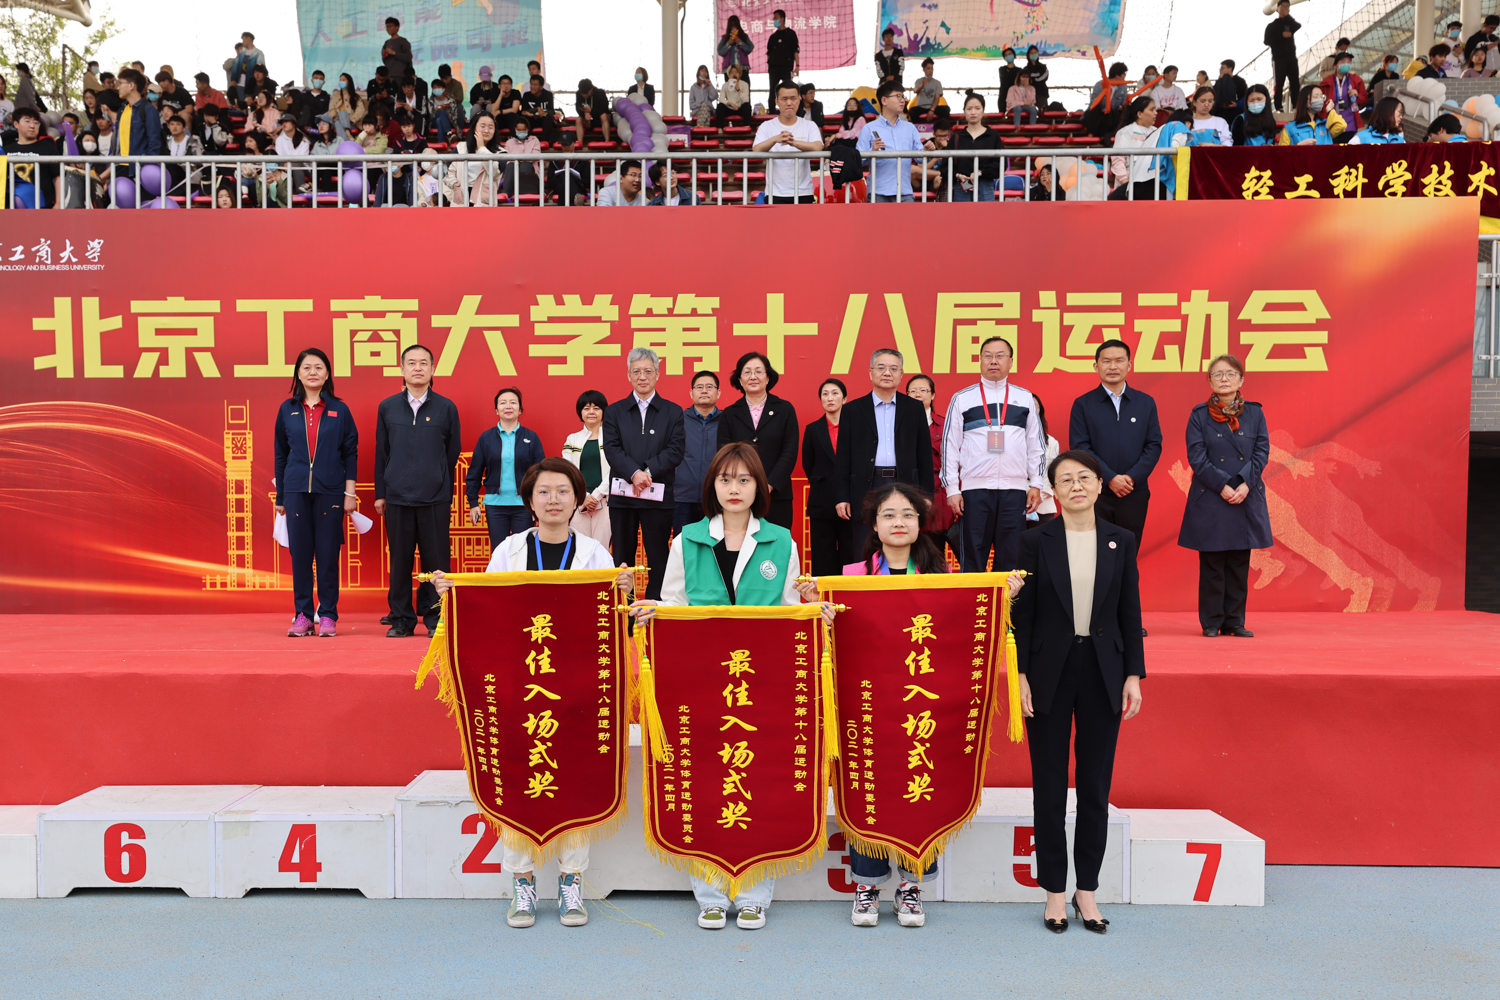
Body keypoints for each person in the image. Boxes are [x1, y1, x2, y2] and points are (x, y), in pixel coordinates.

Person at [433, 457, 636, 930]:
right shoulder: (508, 550)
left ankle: (571, 880)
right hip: (519, 687)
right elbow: (486, 610)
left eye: (563, 491)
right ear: (529, 501)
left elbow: (607, 624)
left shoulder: (595, 554)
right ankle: (521, 881)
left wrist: (621, 591)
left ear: (578, 499)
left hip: (576, 687)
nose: (553, 500)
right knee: (518, 777)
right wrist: (453, 595)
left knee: (575, 779)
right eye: (543, 491)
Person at [629, 442, 822, 932]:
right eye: (725, 479)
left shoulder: (781, 541)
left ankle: (754, 893)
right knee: (706, 780)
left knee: (760, 780)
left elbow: (789, 612)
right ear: (711, 486)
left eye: (744, 480)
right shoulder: (687, 539)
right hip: (700, 680)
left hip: (763, 682)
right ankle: (711, 893)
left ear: (759, 487)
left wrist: (812, 607)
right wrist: (654, 611)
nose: (734, 489)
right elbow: (674, 603)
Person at [1014, 449, 1144, 934]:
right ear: (1054, 491)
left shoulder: (1120, 540)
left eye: (1084, 478)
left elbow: (1129, 608)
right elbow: (1022, 613)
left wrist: (1134, 674)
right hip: (1047, 671)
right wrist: (1020, 675)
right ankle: (1053, 891)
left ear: (1098, 484)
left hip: (1103, 671)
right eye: (1065, 479)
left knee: (1095, 786)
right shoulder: (1034, 540)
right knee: (1048, 785)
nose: (1076, 486)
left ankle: (1086, 890)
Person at [1068, 340, 1161, 636]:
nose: (1112, 366)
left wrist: (1131, 478)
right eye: (1106, 361)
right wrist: (1109, 477)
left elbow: (1153, 445)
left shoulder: (1145, 402)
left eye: (1119, 360)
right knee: (1094, 556)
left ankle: (1128, 620)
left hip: (1134, 493)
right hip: (1096, 494)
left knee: (1127, 557)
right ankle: (1094, 618)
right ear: (1096, 366)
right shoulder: (1084, 404)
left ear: (1129, 365)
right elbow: (1080, 447)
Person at [1178, 354, 1270, 638]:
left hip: (1245, 493)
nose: (1224, 379)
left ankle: (1234, 621)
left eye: (1230, 374)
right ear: (1210, 381)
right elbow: (1197, 457)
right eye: (1217, 374)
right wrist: (1222, 485)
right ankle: (1211, 622)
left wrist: (1244, 483)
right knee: (1213, 562)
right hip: (1211, 494)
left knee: (1239, 561)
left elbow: (1261, 452)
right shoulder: (1199, 415)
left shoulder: (1255, 413)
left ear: (1241, 380)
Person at [374, 344, 461, 639]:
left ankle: (435, 616)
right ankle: (401, 619)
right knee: (400, 562)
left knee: (436, 562)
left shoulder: (446, 408)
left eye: (424, 362)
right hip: (397, 497)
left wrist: (438, 479)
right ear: (402, 369)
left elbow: (452, 451)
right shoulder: (387, 407)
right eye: (411, 362)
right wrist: (382, 492)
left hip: (434, 497)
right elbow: (382, 453)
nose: (418, 367)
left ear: (433, 369)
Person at [941, 336, 1046, 574]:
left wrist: (1035, 484)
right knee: (973, 555)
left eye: (1000, 356)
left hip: (1014, 491)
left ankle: (1007, 600)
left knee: (1011, 556)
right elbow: (950, 446)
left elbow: (1036, 444)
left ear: (1011, 361)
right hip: (974, 491)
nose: (994, 361)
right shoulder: (962, 398)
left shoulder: (1024, 398)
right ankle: (973, 600)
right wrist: (953, 489)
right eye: (988, 356)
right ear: (980, 361)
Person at [273, 348, 358, 638]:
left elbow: (350, 453)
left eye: (319, 367)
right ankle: (303, 616)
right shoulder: (287, 409)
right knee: (300, 556)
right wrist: (281, 497)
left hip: (330, 491)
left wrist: (349, 493)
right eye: (307, 367)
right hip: (296, 490)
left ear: (327, 373)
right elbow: (281, 455)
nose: (313, 372)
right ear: (298, 373)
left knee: (327, 554)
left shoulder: (339, 410)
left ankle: (328, 615)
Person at [602, 348, 685, 600]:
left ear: (657, 374)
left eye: (648, 371)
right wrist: (634, 473)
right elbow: (612, 449)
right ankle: (624, 609)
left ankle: (655, 608)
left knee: (658, 557)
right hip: (623, 499)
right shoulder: (614, 411)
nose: (642, 376)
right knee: (622, 558)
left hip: (658, 498)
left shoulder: (672, 411)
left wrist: (647, 472)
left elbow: (675, 450)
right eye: (636, 371)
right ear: (628, 375)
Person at [834, 349, 934, 555]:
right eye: (881, 368)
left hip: (904, 482)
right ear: (871, 373)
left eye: (893, 368)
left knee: (903, 542)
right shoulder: (853, 410)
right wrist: (842, 496)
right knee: (864, 547)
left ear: (901, 374)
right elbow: (843, 456)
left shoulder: (914, 408)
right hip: (867, 485)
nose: (887, 373)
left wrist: (926, 495)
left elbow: (924, 455)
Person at [717, 352, 799, 529]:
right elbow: (725, 454)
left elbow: (789, 451)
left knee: (776, 542)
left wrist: (769, 485)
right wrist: (744, 485)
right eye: (747, 372)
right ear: (740, 380)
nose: (753, 377)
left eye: (758, 371)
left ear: (768, 378)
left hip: (777, 495)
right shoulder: (729, 414)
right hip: (739, 494)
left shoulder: (785, 409)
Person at [466, 387, 546, 553]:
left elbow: (541, 474)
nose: (508, 406)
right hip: (495, 506)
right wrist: (473, 503)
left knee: (523, 552)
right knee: (499, 553)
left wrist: (537, 504)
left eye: (513, 402)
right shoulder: (486, 438)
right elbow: (474, 473)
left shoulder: (531, 437)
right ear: (496, 410)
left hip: (524, 506)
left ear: (520, 409)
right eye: (503, 403)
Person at [803, 378, 851, 576]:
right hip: (821, 502)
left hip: (851, 501)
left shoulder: (856, 428)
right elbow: (808, 464)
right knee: (822, 555)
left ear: (844, 398)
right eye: (825, 394)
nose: (830, 398)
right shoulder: (813, 429)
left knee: (851, 554)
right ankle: (823, 593)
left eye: (835, 393)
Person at [754, 81, 823, 204]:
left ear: (799, 100)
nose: (789, 103)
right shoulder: (766, 126)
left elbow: (818, 147)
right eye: (784, 99)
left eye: (793, 98)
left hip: (803, 191)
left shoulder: (810, 125)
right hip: (775, 192)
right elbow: (756, 149)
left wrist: (793, 142)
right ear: (776, 102)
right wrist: (775, 139)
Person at [561, 390, 613, 547]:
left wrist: (596, 496)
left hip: (605, 501)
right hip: (579, 502)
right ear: (580, 412)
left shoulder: (613, 438)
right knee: (579, 549)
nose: (591, 412)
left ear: (603, 411)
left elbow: (616, 469)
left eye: (596, 408)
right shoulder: (572, 439)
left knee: (601, 549)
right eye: (586, 408)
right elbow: (567, 471)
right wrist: (584, 496)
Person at [905, 374, 953, 546]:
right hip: (908, 488)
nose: (918, 394)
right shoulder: (897, 425)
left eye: (923, 390)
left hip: (938, 492)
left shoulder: (944, 424)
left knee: (934, 546)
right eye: (913, 391)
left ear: (932, 395)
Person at [858, 81, 924, 202]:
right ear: (884, 100)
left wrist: (927, 151)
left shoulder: (910, 128)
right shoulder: (868, 129)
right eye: (898, 96)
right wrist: (871, 151)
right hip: (878, 193)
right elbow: (858, 160)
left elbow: (920, 158)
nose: (902, 100)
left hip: (904, 192)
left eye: (903, 97)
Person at [673, 371, 723, 532]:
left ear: (718, 393)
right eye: (699, 387)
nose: (704, 391)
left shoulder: (727, 421)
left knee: (717, 543)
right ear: (691, 393)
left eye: (709, 387)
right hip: (682, 497)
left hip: (717, 497)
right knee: (683, 543)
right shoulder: (678, 420)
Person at [3, 107, 61, 209]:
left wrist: (59, 203)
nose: (32, 126)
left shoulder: (48, 148)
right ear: (16, 124)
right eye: (27, 121)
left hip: (43, 206)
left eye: (36, 122)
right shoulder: (5, 150)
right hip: (11, 207)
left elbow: (58, 177)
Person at [110, 69, 165, 172]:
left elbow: (154, 144)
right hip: (119, 166)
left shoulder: (148, 109)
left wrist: (147, 169)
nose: (118, 87)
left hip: (138, 168)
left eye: (120, 83)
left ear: (131, 85)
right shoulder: (122, 109)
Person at [1108, 96, 1163, 200]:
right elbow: (1118, 161)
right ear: (1140, 114)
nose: (1156, 113)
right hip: (1128, 187)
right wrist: (1127, 185)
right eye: (1152, 110)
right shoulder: (1124, 132)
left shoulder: (1158, 132)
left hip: (1151, 186)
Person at [951, 92, 1001, 203]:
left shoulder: (993, 135)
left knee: (986, 214)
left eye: (977, 108)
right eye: (969, 109)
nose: (973, 112)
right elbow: (945, 165)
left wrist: (980, 172)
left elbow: (1001, 163)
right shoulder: (956, 137)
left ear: (983, 111)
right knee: (962, 215)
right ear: (964, 111)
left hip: (985, 186)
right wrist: (958, 175)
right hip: (962, 187)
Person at [1029, 396, 1061, 527]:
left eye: (1034, 406)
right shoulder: (1007, 440)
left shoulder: (1052, 442)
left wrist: (1039, 495)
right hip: (1013, 504)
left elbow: (1052, 474)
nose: (1030, 409)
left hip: (1043, 504)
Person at [1264, 0, 1301, 112]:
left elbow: (1298, 25)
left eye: (1287, 7)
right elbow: (1267, 41)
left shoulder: (1290, 23)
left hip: (1291, 57)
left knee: (1295, 82)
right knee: (1279, 83)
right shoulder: (1272, 26)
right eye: (1283, 6)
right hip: (1279, 59)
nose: (1285, 8)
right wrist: (1281, 36)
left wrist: (1287, 16)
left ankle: (1295, 105)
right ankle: (1278, 107)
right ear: (1277, 9)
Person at [1320, 52, 1367, 132]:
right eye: (1343, 62)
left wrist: (1357, 95)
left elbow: (1364, 100)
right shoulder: (1325, 83)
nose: (1346, 64)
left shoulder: (1357, 80)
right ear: (1335, 65)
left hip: (1350, 123)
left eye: (1348, 62)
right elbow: (1320, 104)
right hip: (1331, 123)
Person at [765, 9, 799, 107]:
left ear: (782, 19)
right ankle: (771, 112)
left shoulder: (791, 34)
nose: (774, 20)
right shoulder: (773, 37)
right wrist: (769, 66)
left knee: (788, 90)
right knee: (773, 90)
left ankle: (789, 109)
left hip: (786, 67)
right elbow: (769, 53)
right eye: (773, 18)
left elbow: (795, 51)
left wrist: (797, 66)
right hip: (774, 68)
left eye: (775, 18)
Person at [718, 16, 754, 94]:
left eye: (735, 25)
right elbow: (720, 51)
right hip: (729, 70)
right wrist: (728, 43)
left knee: (745, 91)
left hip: (742, 69)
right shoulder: (725, 38)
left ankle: (745, 103)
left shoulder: (744, 36)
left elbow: (750, 48)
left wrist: (740, 42)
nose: (733, 28)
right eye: (731, 25)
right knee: (730, 93)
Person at [519, 75, 558, 143]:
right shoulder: (526, 95)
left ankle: (544, 142)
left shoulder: (548, 95)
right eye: (531, 84)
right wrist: (537, 109)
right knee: (524, 119)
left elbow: (551, 112)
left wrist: (534, 114)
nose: (532, 86)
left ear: (541, 86)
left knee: (548, 118)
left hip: (543, 119)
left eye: (535, 85)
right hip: (531, 120)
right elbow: (524, 112)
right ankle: (526, 142)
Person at [716, 64, 752, 128]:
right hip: (729, 108)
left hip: (740, 108)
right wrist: (730, 103)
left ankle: (747, 127)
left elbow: (746, 100)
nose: (734, 74)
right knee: (720, 106)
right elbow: (721, 99)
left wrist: (738, 90)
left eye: (736, 72)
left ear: (739, 74)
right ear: (729, 75)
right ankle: (720, 128)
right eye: (732, 72)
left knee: (747, 106)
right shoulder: (725, 85)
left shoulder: (745, 84)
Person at [911, 58, 945, 122]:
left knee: (946, 109)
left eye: (932, 68)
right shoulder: (918, 81)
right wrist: (921, 85)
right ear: (924, 70)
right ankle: (921, 126)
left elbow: (937, 98)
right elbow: (915, 91)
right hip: (921, 107)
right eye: (928, 68)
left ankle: (937, 126)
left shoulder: (937, 83)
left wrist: (932, 110)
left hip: (933, 107)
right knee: (912, 111)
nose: (930, 71)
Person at [381, 17, 413, 83]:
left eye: (390, 26)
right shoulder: (386, 42)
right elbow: (385, 61)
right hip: (388, 75)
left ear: (397, 27)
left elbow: (408, 57)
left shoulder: (403, 41)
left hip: (400, 75)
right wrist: (384, 56)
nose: (388, 28)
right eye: (387, 26)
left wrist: (394, 53)